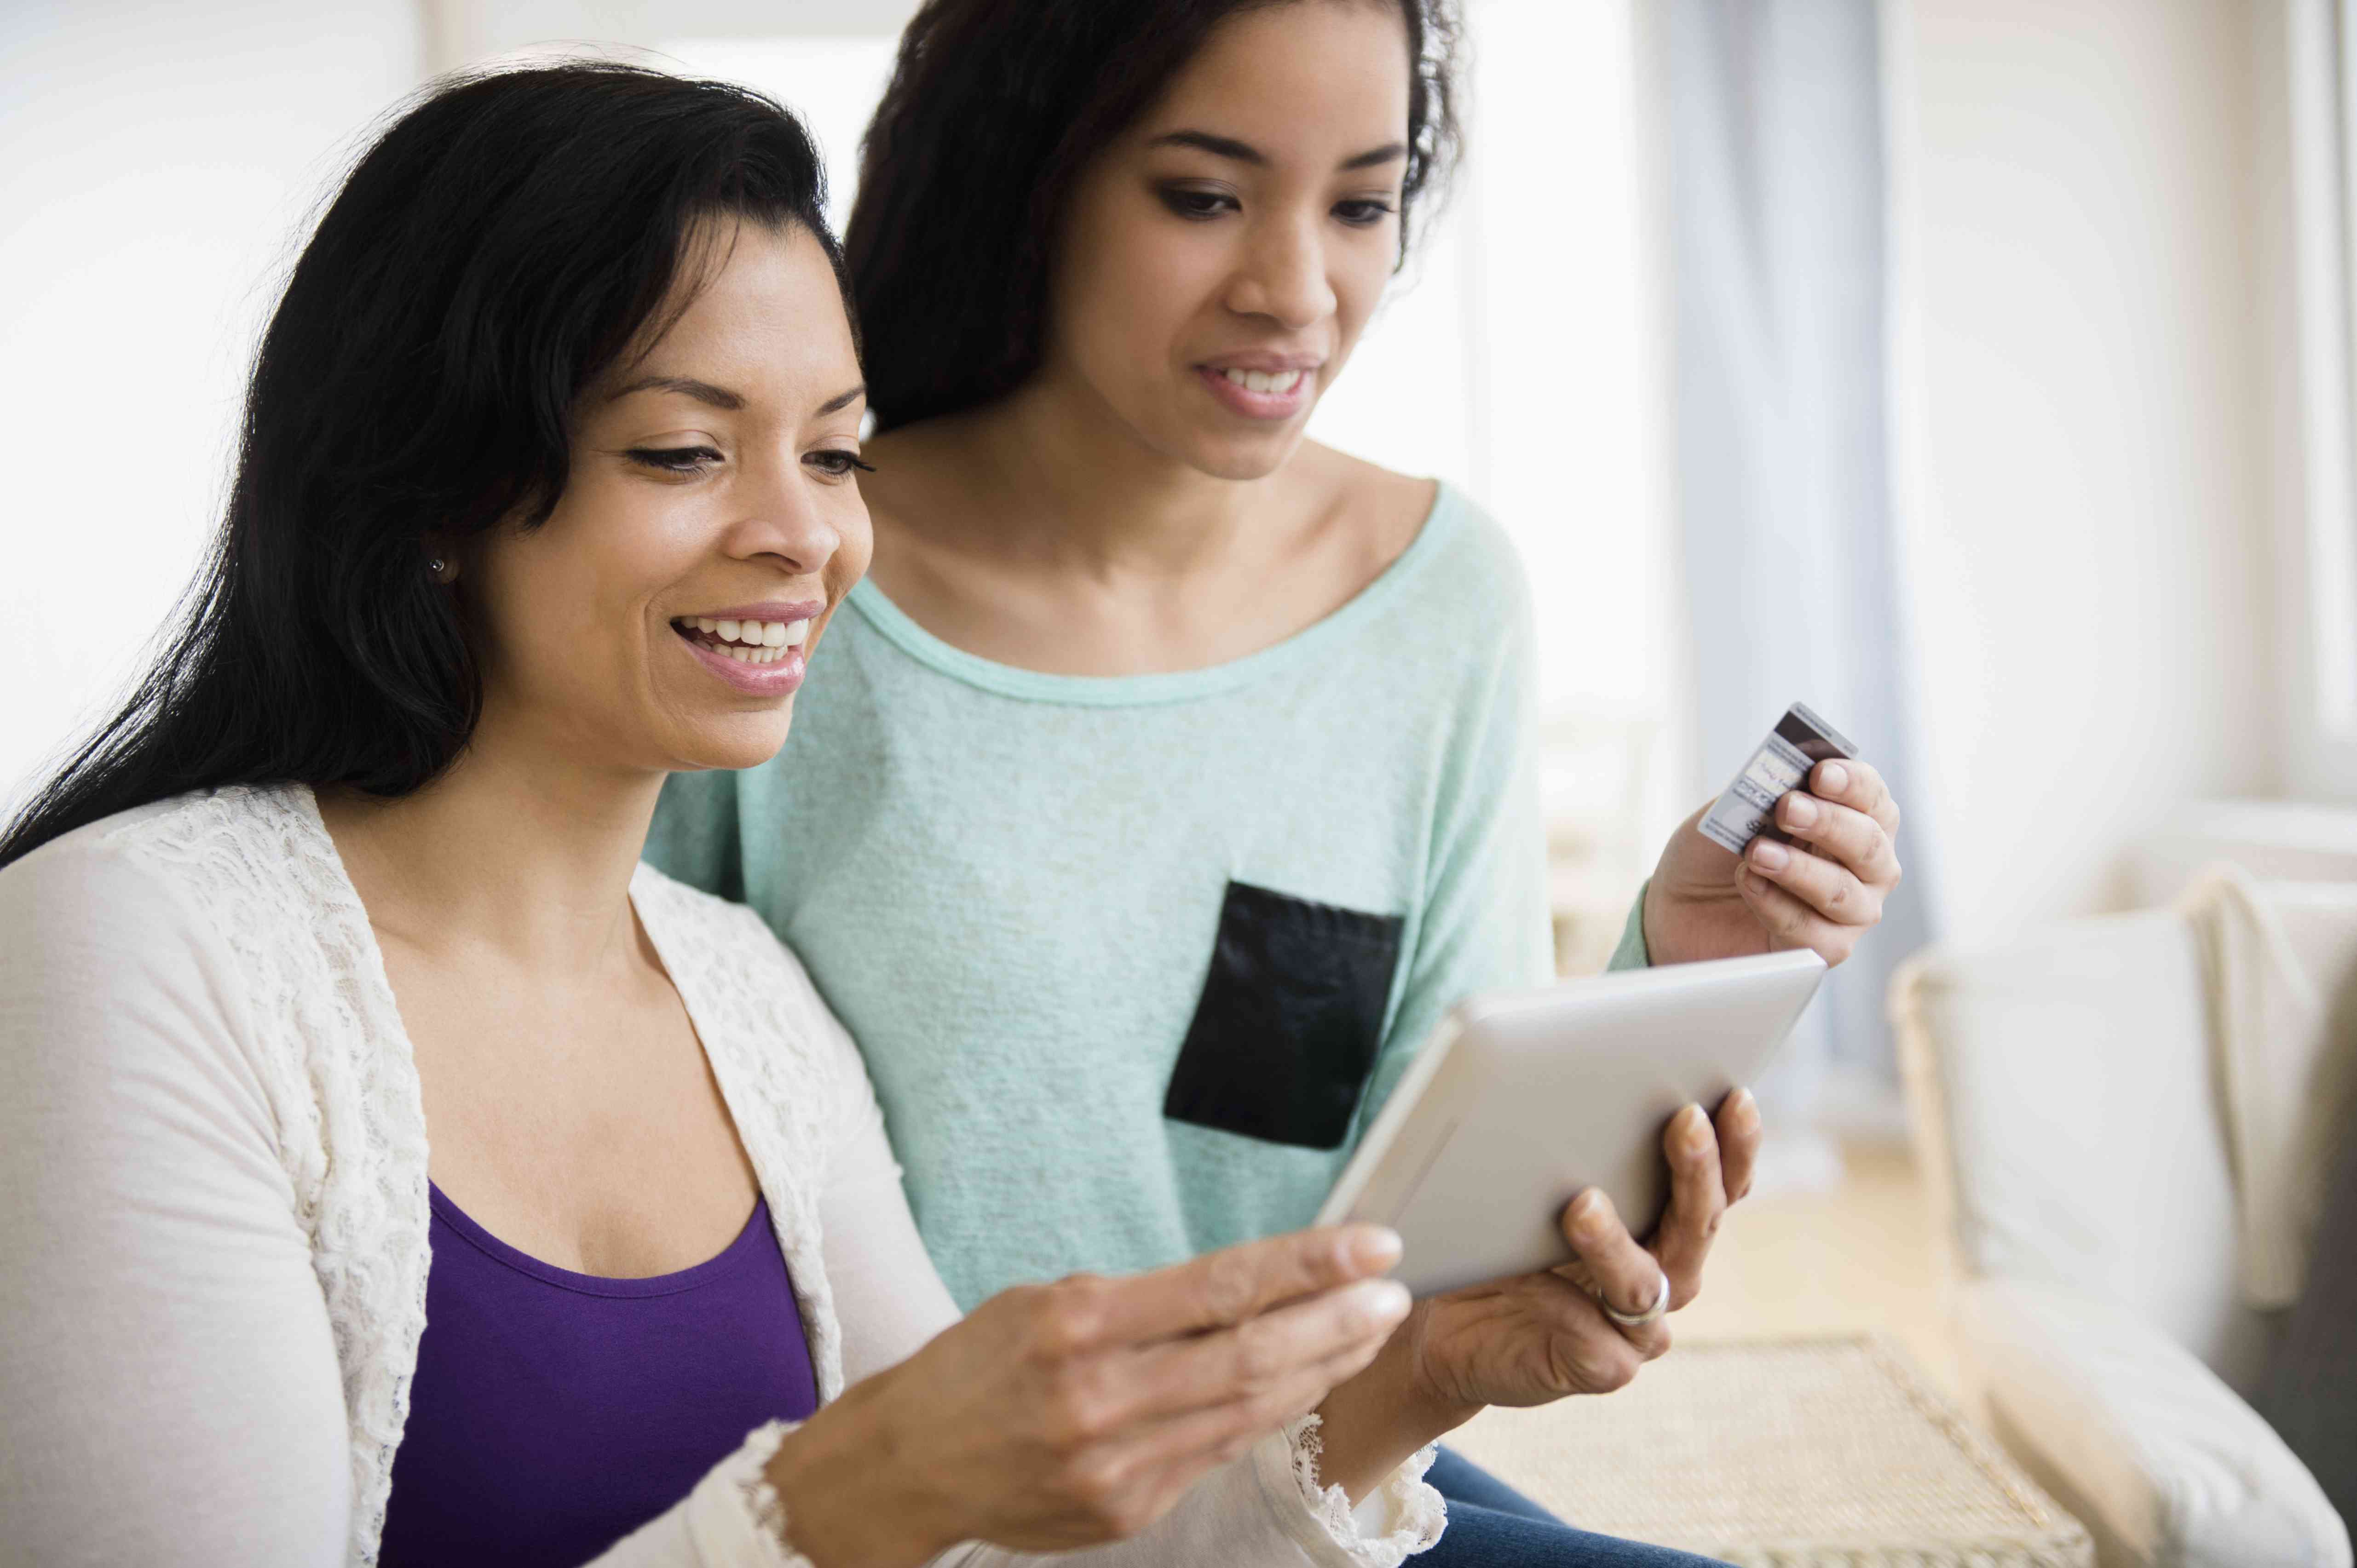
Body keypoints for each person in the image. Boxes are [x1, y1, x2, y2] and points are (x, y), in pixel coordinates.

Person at [0, 63, 1706, 1568]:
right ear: (433, 490)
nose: (803, 538)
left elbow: (993, 1557)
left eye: (834, 453)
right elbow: (892, 1509)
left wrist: (1421, 1374)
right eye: (683, 454)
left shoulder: (748, 1001)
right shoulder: (136, 946)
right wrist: (846, 1497)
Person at [646, 0, 1906, 1559]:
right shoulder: (790, 584)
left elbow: (1443, 1190)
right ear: (1031, 178)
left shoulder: (1440, 597)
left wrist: (1676, 961)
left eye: (1361, 203)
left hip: (1314, 1477)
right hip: (918, 1511)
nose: (1296, 290)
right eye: (1203, 195)